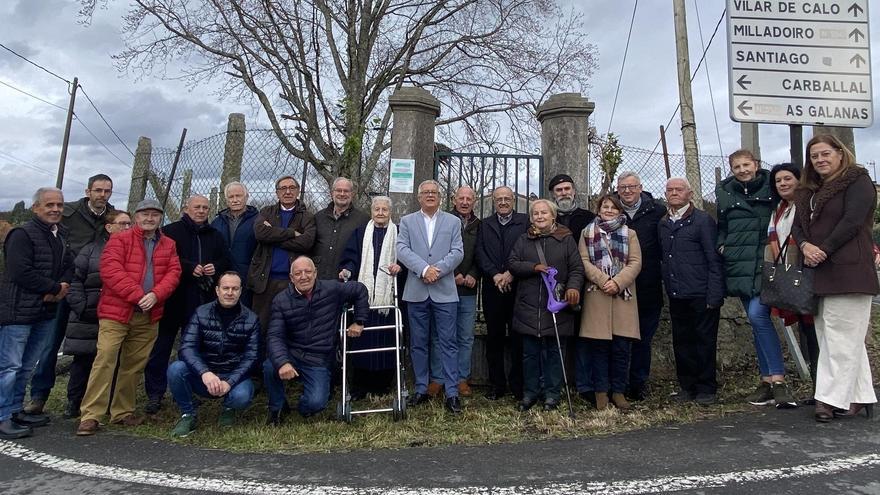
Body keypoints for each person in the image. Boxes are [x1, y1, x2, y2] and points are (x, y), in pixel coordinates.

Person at [76, 199, 182, 436]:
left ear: (160, 218)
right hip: (117, 312)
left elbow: (174, 273)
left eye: (155, 214)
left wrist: (155, 295)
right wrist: (139, 295)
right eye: (145, 214)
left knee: (133, 365)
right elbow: (111, 271)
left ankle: (122, 412)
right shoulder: (119, 240)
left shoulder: (168, 244)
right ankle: (91, 414)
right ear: (136, 216)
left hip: (149, 314)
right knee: (105, 360)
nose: (150, 218)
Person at [792, 134, 878, 422]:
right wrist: (805, 246)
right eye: (814, 156)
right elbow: (798, 226)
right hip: (819, 271)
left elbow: (852, 221)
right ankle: (860, 396)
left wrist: (823, 250)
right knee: (833, 337)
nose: (820, 160)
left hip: (849, 270)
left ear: (840, 154)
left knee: (841, 338)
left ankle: (828, 399)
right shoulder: (809, 192)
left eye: (825, 153)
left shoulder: (858, 182)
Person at [25, 174, 115, 416]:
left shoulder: (112, 216)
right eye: (98, 190)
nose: (102, 195)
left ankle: (77, 400)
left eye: (107, 191)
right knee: (50, 344)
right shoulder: (68, 213)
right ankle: (39, 395)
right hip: (64, 286)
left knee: (87, 348)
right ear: (88, 191)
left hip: (92, 292)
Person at [716, 149, 797, 408]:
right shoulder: (726, 194)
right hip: (739, 266)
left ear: (756, 164)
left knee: (758, 316)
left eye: (746, 164)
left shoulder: (772, 188)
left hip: (766, 264)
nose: (742, 170)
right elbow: (723, 227)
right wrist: (722, 246)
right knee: (756, 322)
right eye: (737, 166)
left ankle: (779, 380)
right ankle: (766, 381)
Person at [144, 195, 231, 415]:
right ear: (186, 209)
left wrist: (215, 268)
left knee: (193, 348)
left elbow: (225, 260)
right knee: (161, 347)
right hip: (173, 298)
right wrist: (188, 267)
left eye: (205, 207)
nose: (201, 211)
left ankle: (186, 389)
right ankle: (155, 393)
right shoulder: (171, 232)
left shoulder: (215, 235)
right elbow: (162, 260)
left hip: (202, 300)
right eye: (197, 207)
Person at [0, 187, 74, 439]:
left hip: (45, 311)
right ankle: (1, 416)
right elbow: (20, 270)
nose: (55, 209)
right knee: (9, 365)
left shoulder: (60, 235)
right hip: (18, 311)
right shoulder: (21, 234)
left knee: (26, 365)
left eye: (59, 205)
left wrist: (61, 288)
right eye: (49, 205)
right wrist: (53, 288)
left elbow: (68, 265)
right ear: (36, 208)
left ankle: (15, 409)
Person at [263, 257, 368, 423]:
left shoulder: (332, 289)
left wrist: (359, 321)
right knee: (270, 366)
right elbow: (275, 335)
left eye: (308, 272)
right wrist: (283, 362)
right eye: (298, 273)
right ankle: (277, 407)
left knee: (316, 403)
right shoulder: (281, 300)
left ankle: (303, 408)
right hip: (292, 353)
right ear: (291, 278)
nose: (303, 276)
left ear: (315, 273)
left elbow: (360, 289)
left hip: (319, 357)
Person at [508, 199, 583, 411]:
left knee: (555, 352)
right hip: (529, 306)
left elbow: (576, 268)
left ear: (553, 216)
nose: (540, 217)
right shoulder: (524, 240)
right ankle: (530, 393)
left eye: (544, 213)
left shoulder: (566, 240)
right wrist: (534, 267)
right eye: (536, 214)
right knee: (529, 354)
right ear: (531, 218)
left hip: (556, 305)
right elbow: (513, 264)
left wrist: (573, 288)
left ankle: (552, 394)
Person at [397, 180, 465, 414]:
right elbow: (402, 249)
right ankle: (421, 388)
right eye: (425, 192)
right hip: (416, 291)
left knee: (448, 342)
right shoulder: (406, 221)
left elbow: (458, 251)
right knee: (418, 343)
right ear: (418, 197)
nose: (430, 196)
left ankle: (452, 392)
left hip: (445, 291)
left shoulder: (453, 221)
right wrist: (424, 269)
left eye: (434, 193)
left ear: (440, 197)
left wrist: (438, 270)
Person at [167, 271, 259, 437]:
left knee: (242, 396)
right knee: (176, 369)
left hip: (233, 376)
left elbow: (251, 357)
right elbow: (187, 347)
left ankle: (229, 409)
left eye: (234, 288)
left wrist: (229, 382)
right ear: (217, 290)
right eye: (225, 288)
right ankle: (188, 414)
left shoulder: (252, 319)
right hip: (205, 376)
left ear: (240, 291)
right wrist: (205, 373)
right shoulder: (201, 312)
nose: (229, 292)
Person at [61, 210, 132, 419]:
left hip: (116, 314)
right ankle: (75, 402)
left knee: (113, 360)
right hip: (89, 313)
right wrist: (81, 306)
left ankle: (109, 403)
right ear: (109, 227)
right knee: (85, 360)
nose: (127, 228)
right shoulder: (92, 250)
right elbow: (75, 279)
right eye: (122, 224)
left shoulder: (134, 252)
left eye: (129, 224)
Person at [659, 179, 724, 405]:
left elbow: (714, 260)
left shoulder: (703, 221)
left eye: (679, 190)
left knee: (704, 341)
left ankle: (707, 388)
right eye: (670, 190)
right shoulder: (664, 223)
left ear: (690, 194)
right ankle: (687, 387)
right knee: (682, 342)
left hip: (701, 293)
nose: (674, 193)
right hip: (677, 293)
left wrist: (714, 295)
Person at [578, 195, 641, 411]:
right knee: (599, 350)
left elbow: (635, 262)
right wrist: (605, 280)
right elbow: (583, 261)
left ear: (619, 211)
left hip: (623, 296)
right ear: (599, 209)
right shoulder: (587, 233)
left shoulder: (630, 234)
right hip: (598, 295)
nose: (609, 210)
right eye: (605, 206)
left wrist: (618, 282)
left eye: (613, 207)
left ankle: (619, 392)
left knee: (621, 349)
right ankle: (601, 392)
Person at [338, 196, 404, 399]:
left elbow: (405, 256)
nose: (381, 213)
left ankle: (383, 385)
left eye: (385, 209)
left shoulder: (399, 233)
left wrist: (399, 265)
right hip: (364, 297)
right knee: (362, 340)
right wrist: (347, 270)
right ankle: (360, 386)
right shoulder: (360, 233)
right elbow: (351, 258)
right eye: (377, 209)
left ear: (390, 212)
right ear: (372, 211)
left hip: (387, 299)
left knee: (386, 340)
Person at [765, 163, 819, 404]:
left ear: (799, 180)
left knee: (817, 333)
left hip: (810, 273)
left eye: (788, 178)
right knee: (808, 332)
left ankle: (825, 392)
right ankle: (820, 390)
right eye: (778, 181)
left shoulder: (807, 205)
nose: (783, 184)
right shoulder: (779, 209)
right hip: (791, 274)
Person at [615, 172, 665, 401]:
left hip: (648, 284)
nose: (627, 191)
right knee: (620, 338)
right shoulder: (612, 210)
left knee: (644, 338)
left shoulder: (657, 211)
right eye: (623, 187)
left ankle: (638, 383)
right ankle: (619, 384)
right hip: (619, 286)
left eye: (631, 187)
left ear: (640, 187)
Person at [476, 186, 528, 401]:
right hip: (493, 288)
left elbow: (528, 250)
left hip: (518, 288)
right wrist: (495, 275)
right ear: (493, 201)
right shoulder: (484, 225)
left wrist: (510, 273)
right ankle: (496, 385)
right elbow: (480, 253)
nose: (503, 202)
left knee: (519, 338)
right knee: (494, 338)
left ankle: (518, 386)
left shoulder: (525, 222)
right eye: (499, 199)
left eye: (507, 198)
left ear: (513, 200)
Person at [429, 186, 480, 397]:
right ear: (454, 199)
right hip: (445, 285)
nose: (465, 202)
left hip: (468, 289)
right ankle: (438, 378)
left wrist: (474, 274)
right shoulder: (443, 220)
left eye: (469, 198)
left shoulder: (480, 225)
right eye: (461, 198)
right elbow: (439, 250)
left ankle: (461, 378)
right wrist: (455, 273)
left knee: (465, 336)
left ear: (474, 201)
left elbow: (482, 252)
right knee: (439, 335)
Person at [249, 176, 317, 332]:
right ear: (277, 192)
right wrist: (292, 233)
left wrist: (272, 236)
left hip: (292, 282)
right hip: (265, 280)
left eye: (292, 188)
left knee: (290, 327)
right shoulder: (267, 211)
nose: (287, 192)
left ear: (298, 191)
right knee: (261, 327)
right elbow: (260, 234)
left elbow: (306, 242)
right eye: (283, 188)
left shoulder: (307, 216)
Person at [211, 182, 259, 305]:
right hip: (221, 276)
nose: (235, 200)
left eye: (239, 196)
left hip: (247, 276)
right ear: (226, 200)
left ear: (246, 197)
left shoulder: (258, 220)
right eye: (231, 197)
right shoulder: (217, 222)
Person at [312, 177, 369, 280]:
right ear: (332, 193)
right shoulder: (318, 217)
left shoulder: (363, 220)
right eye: (338, 190)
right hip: (318, 279)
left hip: (346, 280)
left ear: (352, 194)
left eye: (346, 191)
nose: (342, 194)